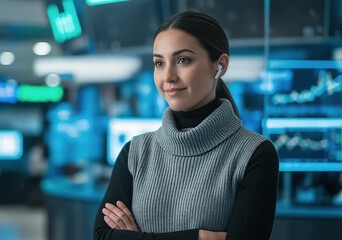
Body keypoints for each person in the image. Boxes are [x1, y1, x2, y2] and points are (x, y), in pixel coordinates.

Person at [94, 11, 279, 240]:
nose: (168, 76)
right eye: (159, 63)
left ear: (219, 66)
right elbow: (102, 236)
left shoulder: (255, 154)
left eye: (183, 60)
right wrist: (201, 237)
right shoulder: (135, 152)